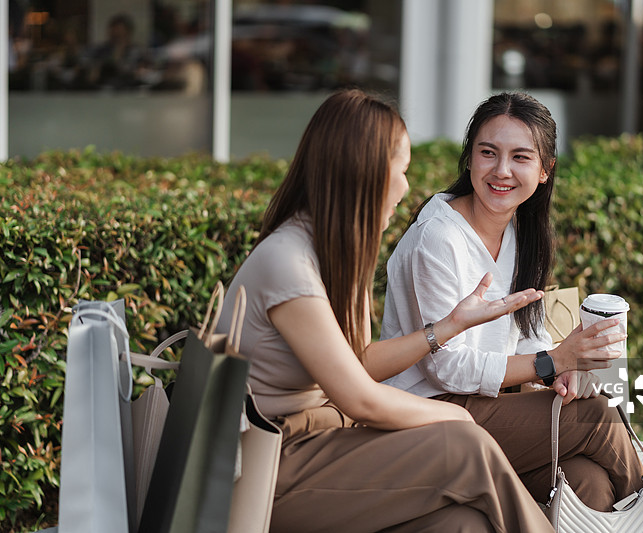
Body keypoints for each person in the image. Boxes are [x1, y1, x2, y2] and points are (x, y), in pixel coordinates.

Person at [216, 89, 556, 532]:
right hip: (268, 464)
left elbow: (362, 361)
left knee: (462, 523)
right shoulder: (288, 263)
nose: (408, 186)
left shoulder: (335, 252)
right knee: (465, 443)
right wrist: (456, 414)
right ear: (363, 171)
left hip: (321, 439)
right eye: (401, 170)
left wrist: (448, 326)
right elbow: (359, 396)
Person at [380, 92, 643, 532]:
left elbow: (526, 331)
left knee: (589, 480)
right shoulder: (439, 237)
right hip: (432, 415)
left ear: (544, 171)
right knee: (596, 416)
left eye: (520, 157)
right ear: (469, 159)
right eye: (488, 153)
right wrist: (551, 361)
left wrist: (554, 371)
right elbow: (444, 370)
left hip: (488, 409)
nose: (501, 170)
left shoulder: (521, 231)